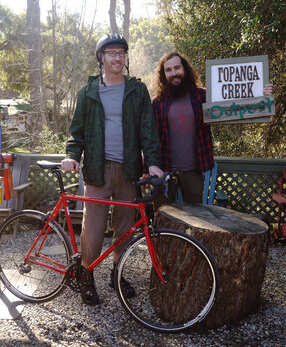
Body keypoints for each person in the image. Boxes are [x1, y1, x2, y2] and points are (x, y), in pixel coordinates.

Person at [61, 34, 163, 306]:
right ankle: (87, 275)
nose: (118, 57)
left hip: (129, 169)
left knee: (125, 225)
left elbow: (148, 130)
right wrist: (71, 156)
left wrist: (152, 161)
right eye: (111, 53)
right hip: (97, 168)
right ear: (101, 57)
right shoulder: (88, 92)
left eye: (121, 53)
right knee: (93, 227)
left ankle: (117, 273)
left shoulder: (136, 89)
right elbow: (77, 132)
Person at [152, 51, 274, 205]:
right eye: (168, 70)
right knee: (162, 215)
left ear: (185, 69)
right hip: (164, 170)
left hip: (193, 170)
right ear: (163, 75)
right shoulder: (157, 102)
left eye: (177, 68)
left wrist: (263, 93)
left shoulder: (203, 96)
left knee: (196, 217)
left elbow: (236, 100)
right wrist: (147, 167)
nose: (174, 73)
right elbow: (150, 138)